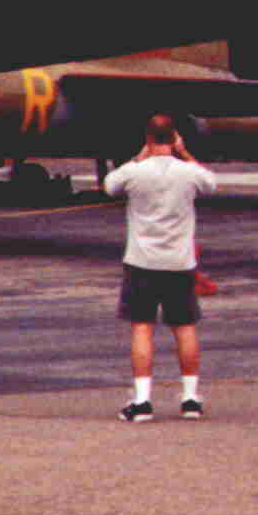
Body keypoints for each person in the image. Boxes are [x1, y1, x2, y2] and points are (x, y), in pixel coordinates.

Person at [103, 113, 217, 422]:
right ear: (175, 138)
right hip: (179, 261)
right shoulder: (188, 173)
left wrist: (139, 158)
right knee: (185, 327)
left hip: (141, 260)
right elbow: (210, 182)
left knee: (142, 327)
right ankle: (191, 398)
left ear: (148, 139)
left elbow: (109, 185)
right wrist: (186, 153)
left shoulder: (136, 173)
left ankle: (142, 401)